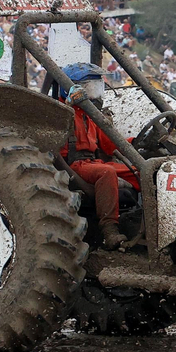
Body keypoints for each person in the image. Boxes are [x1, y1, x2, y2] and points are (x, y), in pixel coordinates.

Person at [58, 62, 136, 250]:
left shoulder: (89, 115)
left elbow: (110, 146)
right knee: (106, 173)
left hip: (93, 162)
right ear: (72, 89)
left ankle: (144, 221)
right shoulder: (60, 113)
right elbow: (54, 149)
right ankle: (109, 230)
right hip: (74, 165)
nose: (94, 94)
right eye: (89, 89)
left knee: (140, 172)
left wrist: (135, 141)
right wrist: (68, 105)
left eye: (96, 88)